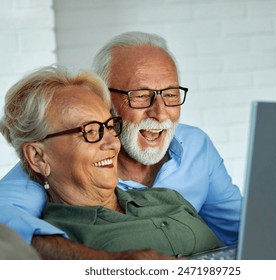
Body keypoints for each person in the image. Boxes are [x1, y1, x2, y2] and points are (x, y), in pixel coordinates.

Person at [0, 31, 242, 258]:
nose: (160, 113)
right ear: (107, 101)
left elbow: (242, 229)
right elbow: (5, 226)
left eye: (170, 94)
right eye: (139, 95)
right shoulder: (43, 174)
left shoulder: (187, 160)